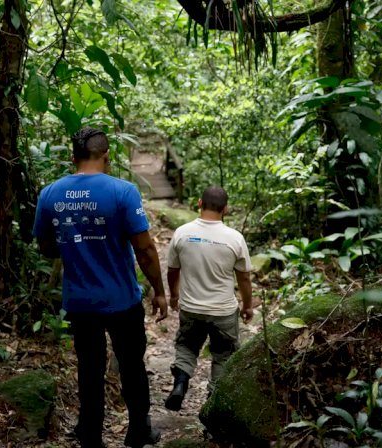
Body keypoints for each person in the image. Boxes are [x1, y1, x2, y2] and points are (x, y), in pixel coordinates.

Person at [33, 127, 168, 448]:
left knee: (89, 369)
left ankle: (90, 434)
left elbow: (46, 246)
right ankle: (138, 430)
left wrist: (75, 246)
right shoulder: (123, 192)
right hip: (122, 299)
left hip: (80, 301)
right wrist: (159, 291)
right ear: (107, 157)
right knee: (132, 365)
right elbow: (145, 249)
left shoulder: (50, 193)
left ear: (72, 157)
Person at [164, 185, 256, 411]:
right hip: (223, 311)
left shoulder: (182, 233)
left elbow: (172, 270)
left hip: (191, 308)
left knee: (186, 346)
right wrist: (247, 306)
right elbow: (244, 279)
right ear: (225, 209)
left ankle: (180, 384)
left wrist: (174, 295)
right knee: (224, 355)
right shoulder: (234, 238)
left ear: (199, 203)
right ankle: (213, 402)